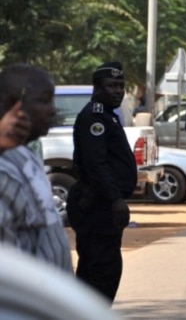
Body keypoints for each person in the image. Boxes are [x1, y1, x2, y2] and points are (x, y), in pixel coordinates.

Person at [67, 62, 138, 302]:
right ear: (97, 88)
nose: (118, 91)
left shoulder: (107, 115)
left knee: (97, 272)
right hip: (96, 206)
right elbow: (96, 164)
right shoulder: (94, 117)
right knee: (102, 273)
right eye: (112, 86)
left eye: (121, 86)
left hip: (101, 206)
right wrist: (116, 198)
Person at [0, 64, 72, 273]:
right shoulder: (4, 172)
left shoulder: (25, 154)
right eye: (44, 100)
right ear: (15, 105)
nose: (53, 109)